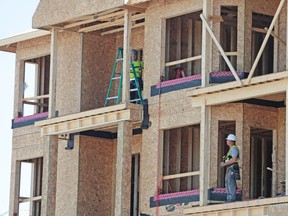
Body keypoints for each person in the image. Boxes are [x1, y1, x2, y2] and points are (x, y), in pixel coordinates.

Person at [220, 134, 240, 202]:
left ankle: (232, 198)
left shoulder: (234, 149)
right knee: (228, 182)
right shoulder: (231, 149)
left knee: (230, 182)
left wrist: (224, 164)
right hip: (229, 168)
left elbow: (233, 160)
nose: (226, 141)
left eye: (227, 140)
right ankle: (229, 198)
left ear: (231, 141)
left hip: (232, 168)